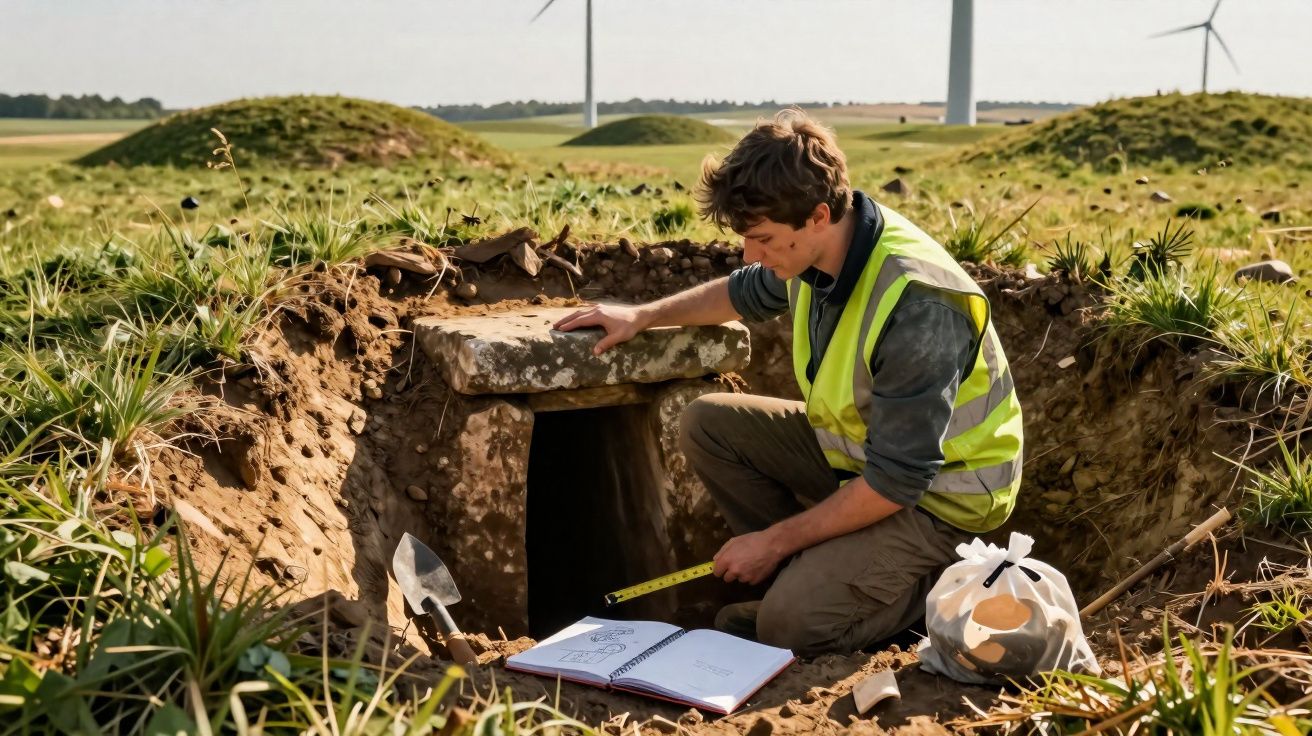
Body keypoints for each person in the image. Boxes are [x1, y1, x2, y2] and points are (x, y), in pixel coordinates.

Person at [553, 109, 1023, 656]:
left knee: (788, 628)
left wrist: (772, 542)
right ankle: (811, 570)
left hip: (942, 498)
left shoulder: (919, 303)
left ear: (819, 215)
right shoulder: (816, 251)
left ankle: (918, 586)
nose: (751, 254)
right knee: (709, 423)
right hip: (861, 459)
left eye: (762, 239)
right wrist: (642, 315)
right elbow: (741, 292)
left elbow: (899, 481)